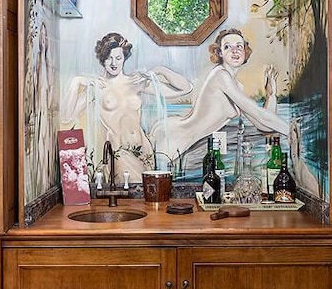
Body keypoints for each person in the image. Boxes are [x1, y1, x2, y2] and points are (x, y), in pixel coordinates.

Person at [63, 32, 193, 183]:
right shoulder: (98, 86)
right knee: (129, 197)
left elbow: (185, 88)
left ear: (124, 58)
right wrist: (76, 81)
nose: (113, 63)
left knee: (144, 198)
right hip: (119, 152)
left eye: (118, 58)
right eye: (109, 58)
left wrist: (158, 71)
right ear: (102, 59)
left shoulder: (136, 82)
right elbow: (67, 116)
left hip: (144, 150)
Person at [153, 27, 292, 159]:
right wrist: (291, 132)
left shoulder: (236, 86)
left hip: (184, 144)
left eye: (239, 46)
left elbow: (263, 125)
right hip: (172, 139)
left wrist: (271, 94)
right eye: (227, 47)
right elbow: (259, 114)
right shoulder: (221, 76)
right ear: (219, 53)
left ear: (245, 51)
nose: (234, 51)